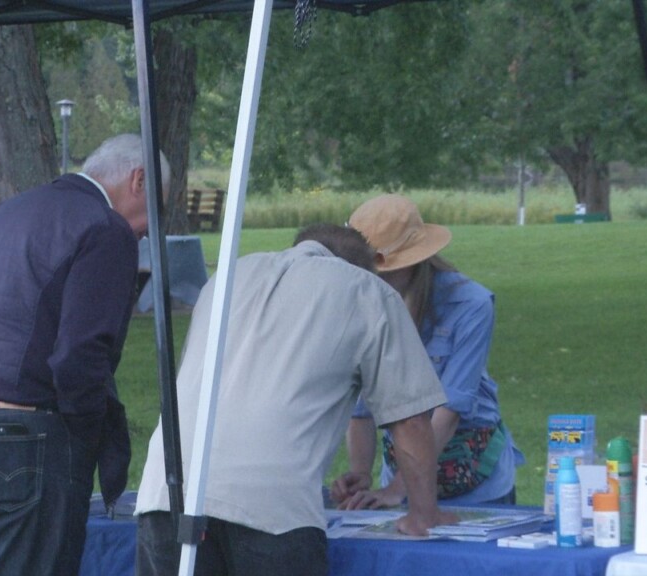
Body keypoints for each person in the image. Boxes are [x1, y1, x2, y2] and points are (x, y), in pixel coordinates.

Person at [135, 224, 454, 576]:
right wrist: (424, 514)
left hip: (167, 490)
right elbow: (410, 419)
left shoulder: (225, 278)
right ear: (365, 266)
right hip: (272, 509)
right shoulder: (368, 290)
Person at [0, 134, 170, 576]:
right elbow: (80, 356)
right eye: (158, 207)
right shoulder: (106, 229)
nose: (150, 228)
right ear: (138, 180)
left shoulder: (1, 215)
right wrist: (83, 436)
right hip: (21, 434)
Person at [331, 194, 524, 509]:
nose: (374, 281)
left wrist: (399, 489)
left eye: (383, 271)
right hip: (403, 468)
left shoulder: (471, 304)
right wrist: (361, 474)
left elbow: (450, 409)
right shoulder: (362, 302)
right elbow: (361, 405)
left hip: (474, 479)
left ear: (415, 262)